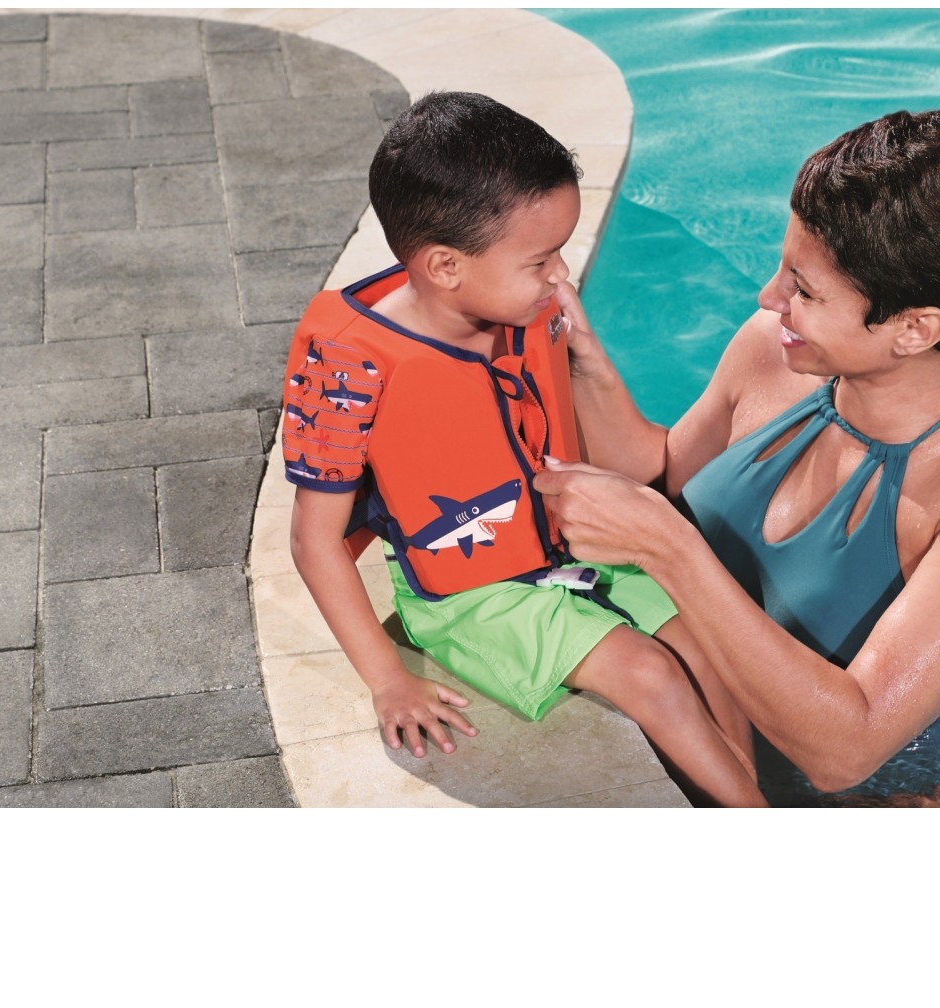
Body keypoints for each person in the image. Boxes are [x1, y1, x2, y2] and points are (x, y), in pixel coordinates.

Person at [535, 108, 940, 806]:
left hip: (906, 794)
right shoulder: (776, 345)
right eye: (786, 268)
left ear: (914, 328)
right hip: (739, 742)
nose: (770, 297)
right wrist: (582, 370)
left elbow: (845, 752)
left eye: (804, 290)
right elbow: (666, 476)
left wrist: (667, 549)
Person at [283, 90, 765, 806]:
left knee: (708, 645)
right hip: (469, 595)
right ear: (445, 266)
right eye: (541, 260)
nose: (561, 275)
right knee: (652, 674)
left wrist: (588, 362)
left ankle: (751, 800)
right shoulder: (352, 366)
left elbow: (630, 462)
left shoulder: (524, 308)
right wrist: (388, 679)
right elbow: (313, 539)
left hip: (570, 551)